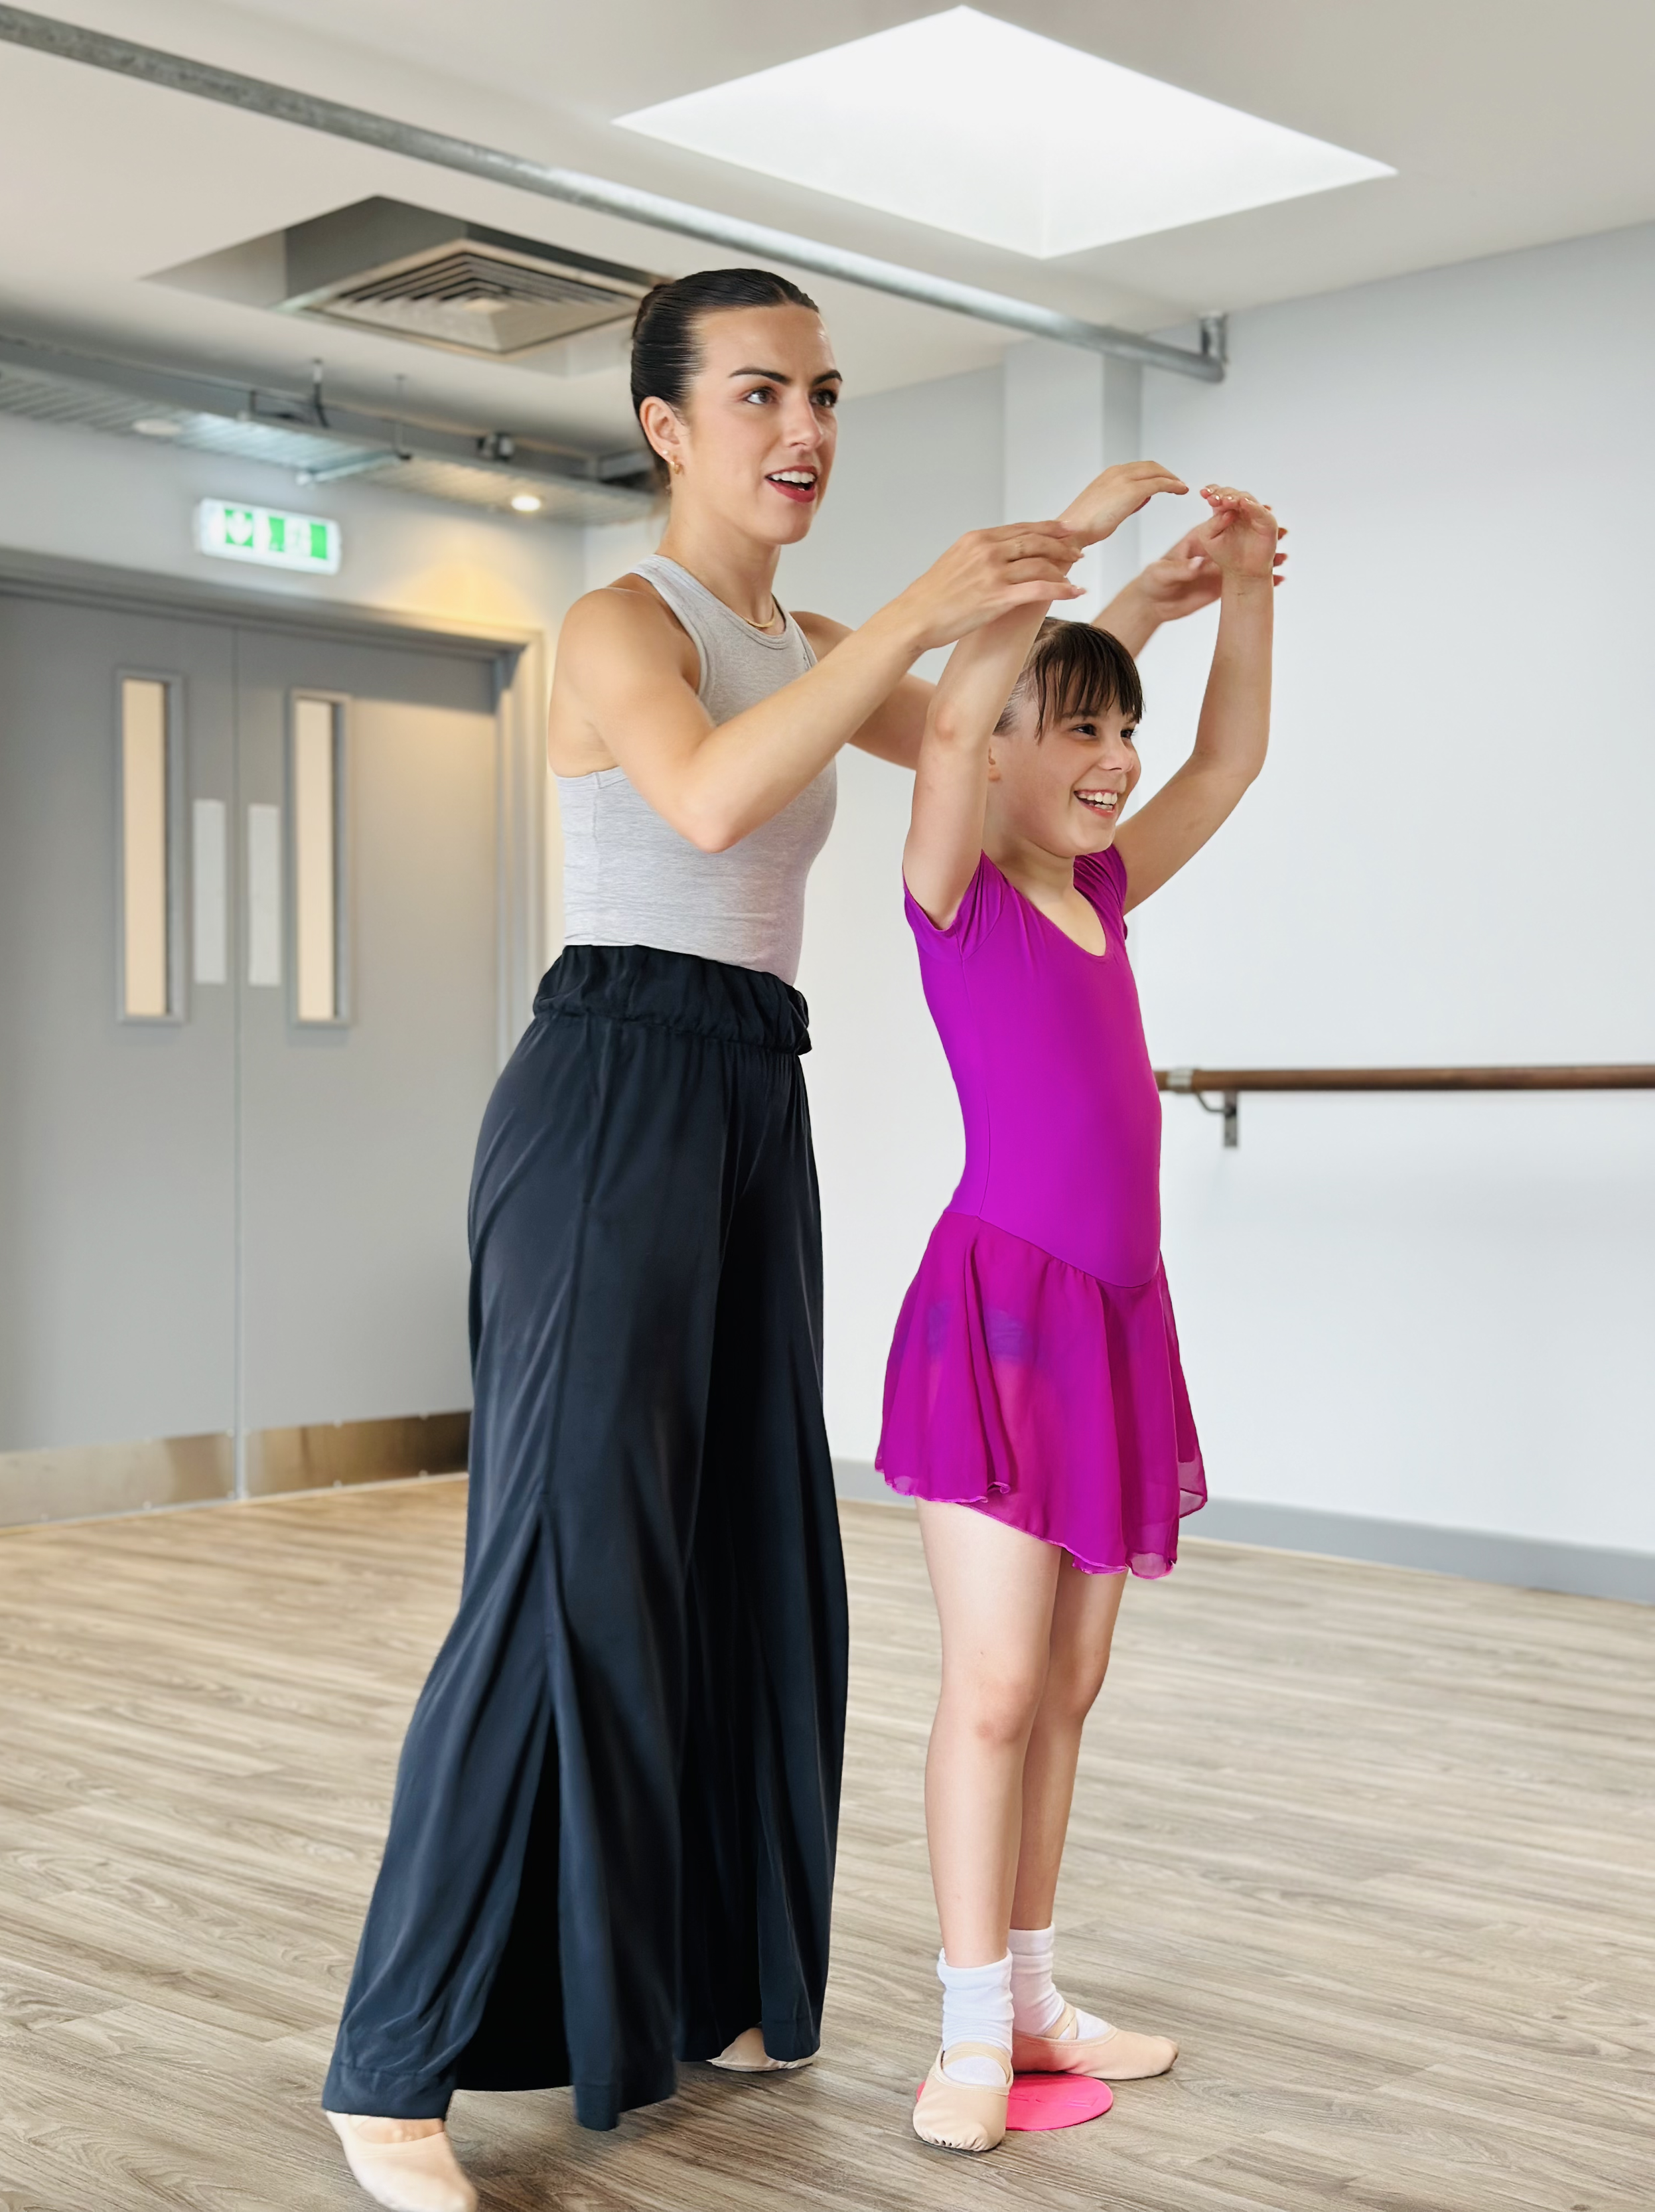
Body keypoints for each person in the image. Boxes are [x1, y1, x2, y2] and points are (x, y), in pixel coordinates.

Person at [321, 265, 1236, 2212]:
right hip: (606, 1093)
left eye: (820, 391)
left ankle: (710, 1981)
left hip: (752, 1092)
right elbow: (719, 787)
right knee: (561, 1569)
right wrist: (935, 600)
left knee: (754, 1553)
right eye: (757, 395)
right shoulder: (614, 622)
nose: (802, 427)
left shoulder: (809, 632)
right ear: (667, 426)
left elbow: (982, 741)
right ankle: (389, 2065)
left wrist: (1128, 605)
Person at [879, 461, 1282, 2155]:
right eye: (1079, 734)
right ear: (993, 761)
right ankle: (969, 2030)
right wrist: (1079, 541)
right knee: (986, 1685)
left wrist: (1241, 588)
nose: (1114, 760)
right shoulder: (956, 891)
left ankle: (1035, 1989)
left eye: (1117, 731)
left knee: (1065, 1686)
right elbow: (976, 694)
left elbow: (1230, 756)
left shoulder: (1100, 894)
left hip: (1116, 1319)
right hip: (999, 1322)